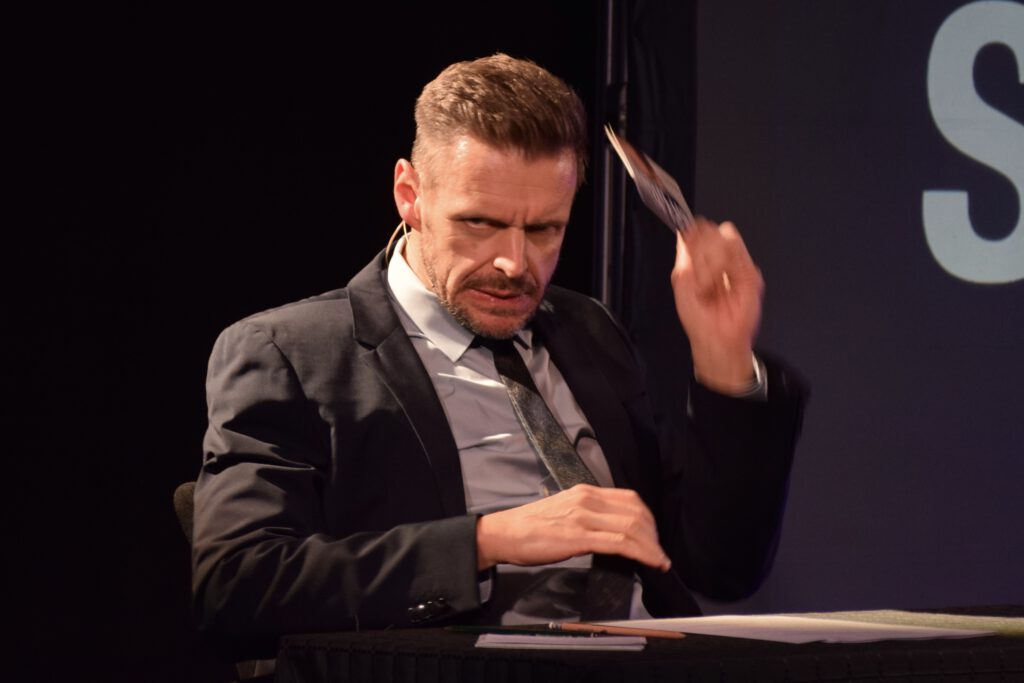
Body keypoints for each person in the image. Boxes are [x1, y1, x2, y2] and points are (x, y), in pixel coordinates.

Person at [192, 53, 806, 658]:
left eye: (544, 230)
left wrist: (724, 359)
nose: (515, 264)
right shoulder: (293, 353)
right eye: (480, 224)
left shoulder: (589, 331)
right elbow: (237, 586)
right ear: (410, 195)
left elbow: (723, 568)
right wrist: (488, 540)